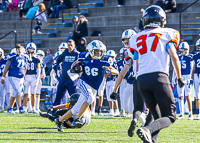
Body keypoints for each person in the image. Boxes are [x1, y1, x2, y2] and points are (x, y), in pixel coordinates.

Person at [128, 5, 183, 142]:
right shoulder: (168, 33)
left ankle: (151, 139)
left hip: (141, 80)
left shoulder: (135, 38)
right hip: (159, 77)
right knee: (170, 116)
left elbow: (136, 60)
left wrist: (137, 78)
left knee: (157, 117)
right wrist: (179, 76)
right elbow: (174, 56)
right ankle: (147, 129)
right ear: (162, 20)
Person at [54, 40, 119, 131]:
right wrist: (74, 68)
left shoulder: (104, 60)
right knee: (90, 99)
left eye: (100, 52)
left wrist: (109, 69)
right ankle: (78, 119)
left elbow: (116, 72)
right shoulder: (83, 56)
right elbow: (75, 64)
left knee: (76, 109)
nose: (99, 53)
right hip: (84, 82)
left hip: (93, 86)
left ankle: (59, 120)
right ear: (91, 51)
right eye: (96, 51)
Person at [1, 44, 29, 114]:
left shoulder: (24, 57)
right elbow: (6, 68)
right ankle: (20, 108)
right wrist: (3, 77)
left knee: (14, 93)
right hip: (13, 77)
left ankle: (10, 108)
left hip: (21, 78)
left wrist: (24, 76)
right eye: (18, 49)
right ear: (16, 50)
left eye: (20, 49)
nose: (19, 51)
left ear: (23, 50)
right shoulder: (12, 57)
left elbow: (25, 68)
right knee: (18, 92)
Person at [52, 39, 79, 109]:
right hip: (63, 78)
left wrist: (78, 73)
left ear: (74, 46)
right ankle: (54, 110)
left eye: (71, 45)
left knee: (73, 97)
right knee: (59, 96)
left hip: (72, 79)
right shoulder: (65, 53)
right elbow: (57, 60)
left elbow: (81, 64)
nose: (70, 47)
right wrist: (59, 68)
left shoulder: (77, 54)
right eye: (69, 45)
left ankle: (74, 111)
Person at [175, 42, 193, 120]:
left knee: (187, 95)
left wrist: (190, 78)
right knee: (180, 96)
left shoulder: (190, 57)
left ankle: (190, 113)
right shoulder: (179, 57)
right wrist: (175, 78)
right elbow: (176, 68)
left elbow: (192, 68)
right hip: (180, 76)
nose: (182, 51)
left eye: (184, 49)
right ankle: (181, 114)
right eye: (181, 49)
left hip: (187, 76)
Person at [23, 43, 40, 113]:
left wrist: (37, 79)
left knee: (33, 93)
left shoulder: (37, 59)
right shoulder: (24, 57)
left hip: (33, 76)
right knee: (25, 93)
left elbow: (38, 70)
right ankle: (24, 107)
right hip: (26, 76)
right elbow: (23, 69)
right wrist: (23, 78)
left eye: (32, 48)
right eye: (29, 48)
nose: (30, 50)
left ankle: (33, 108)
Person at [104, 50, 120, 116]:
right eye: (109, 56)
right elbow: (105, 73)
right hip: (108, 81)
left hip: (113, 80)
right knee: (108, 97)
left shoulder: (115, 63)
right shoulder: (106, 63)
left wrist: (109, 73)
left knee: (113, 97)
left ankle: (117, 110)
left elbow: (117, 72)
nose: (110, 58)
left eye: (111, 57)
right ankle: (111, 111)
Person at [191, 38, 200, 120]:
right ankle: (198, 113)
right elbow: (193, 68)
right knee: (197, 95)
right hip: (197, 75)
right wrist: (191, 78)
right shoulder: (195, 56)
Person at [0, 48, 11, 112]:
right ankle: (1, 106)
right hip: (0, 77)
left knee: (8, 92)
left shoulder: (5, 59)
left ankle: (9, 106)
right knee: (1, 93)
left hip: (6, 77)